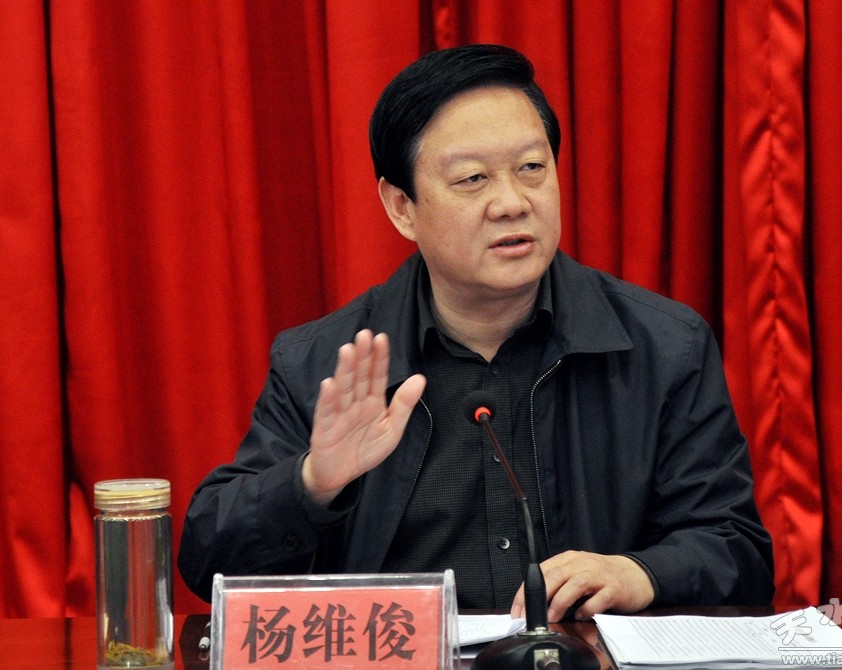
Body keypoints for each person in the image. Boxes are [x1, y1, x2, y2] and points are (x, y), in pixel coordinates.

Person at [178, 43, 774, 621]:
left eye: (532, 168)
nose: (512, 202)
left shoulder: (662, 347)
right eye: (472, 179)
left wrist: (638, 574)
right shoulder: (326, 364)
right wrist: (312, 483)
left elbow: (738, 550)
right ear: (401, 207)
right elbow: (207, 563)